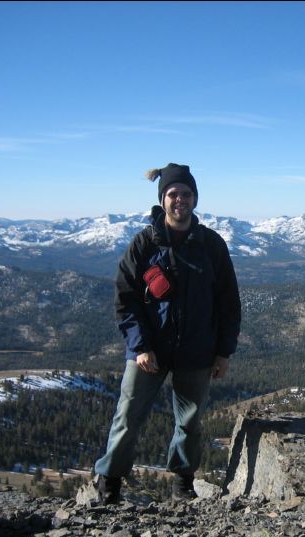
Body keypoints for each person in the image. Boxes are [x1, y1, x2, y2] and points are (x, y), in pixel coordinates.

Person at [94, 163, 241, 503]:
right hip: (149, 351)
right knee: (128, 414)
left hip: (197, 350)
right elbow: (125, 299)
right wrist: (140, 345)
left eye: (186, 194)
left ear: (195, 198)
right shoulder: (144, 244)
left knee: (190, 421)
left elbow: (229, 302)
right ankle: (110, 482)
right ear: (163, 199)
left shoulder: (211, 246)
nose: (180, 200)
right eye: (173, 194)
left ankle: (183, 484)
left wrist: (223, 351)